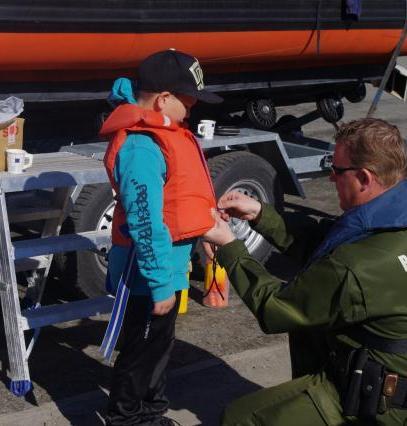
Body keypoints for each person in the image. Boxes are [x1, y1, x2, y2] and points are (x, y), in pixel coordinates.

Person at [204, 118, 407, 425]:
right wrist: (260, 214)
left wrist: (230, 247)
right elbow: (327, 241)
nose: (330, 179)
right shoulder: (390, 221)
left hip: (376, 400)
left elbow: (277, 309)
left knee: (239, 419)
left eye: (337, 171)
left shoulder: (355, 266)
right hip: (385, 372)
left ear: (364, 178)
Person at [99, 49, 222, 426]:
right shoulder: (141, 146)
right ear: (164, 98)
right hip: (146, 271)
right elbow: (143, 219)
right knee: (141, 349)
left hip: (166, 266)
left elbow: (178, 204)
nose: (192, 110)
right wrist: (159, 284)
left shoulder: (165, 133)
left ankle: (151, 412)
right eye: (189, 102)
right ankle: (125, 418)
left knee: (158, 346)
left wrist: (203, 234)